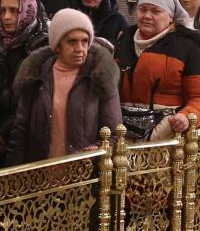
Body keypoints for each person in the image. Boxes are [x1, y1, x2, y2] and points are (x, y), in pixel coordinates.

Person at [6, 9, 123, 164]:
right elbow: (20, 133)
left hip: (82, 176)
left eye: (84, 41)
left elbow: (115, 135)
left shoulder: (100, 76)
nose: (80, 48)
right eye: (72, 41)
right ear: (58, 45)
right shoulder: (36, 75)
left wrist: (97, 149)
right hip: (40, 175)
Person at [115, 0, 200, 139]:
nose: (147, 16)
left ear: (171, 16)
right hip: (121, 133)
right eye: (143, 9)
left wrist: (186, 116)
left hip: (166, 133)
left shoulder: (188, 46)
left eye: (155, 11)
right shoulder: (123, 40)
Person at [0, 0, 50, 141]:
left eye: (13, 10)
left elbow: (34, 99)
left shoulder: (43, 46)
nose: (6, 17)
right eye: (2, 11)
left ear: (27, 10)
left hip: (28, 131)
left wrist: (4, 132)